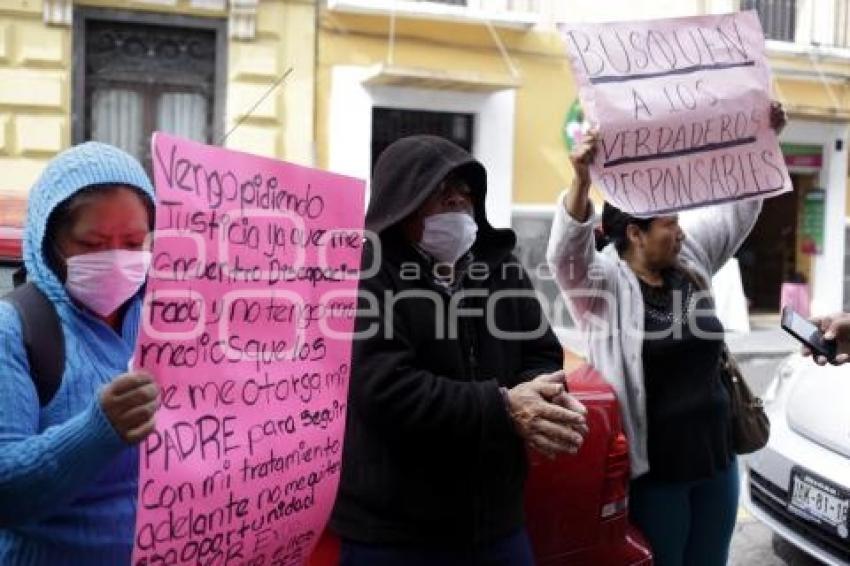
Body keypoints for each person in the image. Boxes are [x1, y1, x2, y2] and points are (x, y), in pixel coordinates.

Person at [331, 135, 589, 565]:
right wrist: (503, 406)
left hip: (496, 526)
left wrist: (537, 400)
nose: (457, 200)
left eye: (465, 190)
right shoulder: (367, 275)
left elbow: (541, 352)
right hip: (395, 537)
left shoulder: (501, 267)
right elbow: (385, 387)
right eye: (438, 190)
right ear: (401, 202)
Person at [547, 103, 785, 566]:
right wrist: (580, 180)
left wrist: (764, 139)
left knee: (711, 559)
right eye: (669, 223)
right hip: (658, 474)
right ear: (635, 233)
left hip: (717, 461)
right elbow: (564, 254)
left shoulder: (690, 261)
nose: (680, 231)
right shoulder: (602, 286)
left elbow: (737, 212)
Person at [0, 142, 161, 564]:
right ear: (48, 242)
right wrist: (97, 429)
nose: (115, 259)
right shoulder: (15, 330)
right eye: (92, 243)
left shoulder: (169, 321)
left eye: (132, 242)